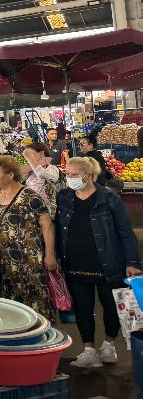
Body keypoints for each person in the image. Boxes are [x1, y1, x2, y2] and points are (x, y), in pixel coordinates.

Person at [56, 157, 141, 367]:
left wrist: (132, 262)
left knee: (111, 305)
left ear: (88, 175)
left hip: (107, 263)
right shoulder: (64, 197)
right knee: (82, 307)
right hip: (75, 263)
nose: (70, 178)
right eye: (67, 174)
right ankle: (89, 349)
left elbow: (125, 232)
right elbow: (58, 228)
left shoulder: (109, 199)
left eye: (74, 175)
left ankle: (109, 344)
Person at [0, 155, 57, 320]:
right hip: (4, 263)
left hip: (29, 261)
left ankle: (40, 339)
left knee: (35, 303)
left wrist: (50, 255)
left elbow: (47, 226)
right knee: (12, 306)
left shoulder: (29, 196)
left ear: (10, 175)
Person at [23, 142, 62, 216]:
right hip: (31, 211)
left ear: (41, 153)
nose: (28, 159)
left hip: (47, 213)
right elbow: (17, 173)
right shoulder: (30, 171)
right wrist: (40, 163)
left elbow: (41, 174)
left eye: (30, 155)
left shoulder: (52, 168)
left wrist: (30, 159)